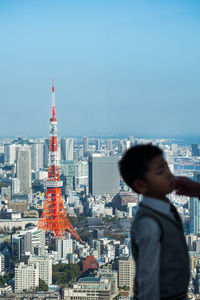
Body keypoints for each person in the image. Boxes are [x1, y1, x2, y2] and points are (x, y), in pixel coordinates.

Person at [119, 144, 190, 300]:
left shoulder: (166, 210)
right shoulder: (148, 223)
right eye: (160, 172)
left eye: (166, 168)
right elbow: (148, 280)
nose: (168, 175)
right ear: (141, 185)